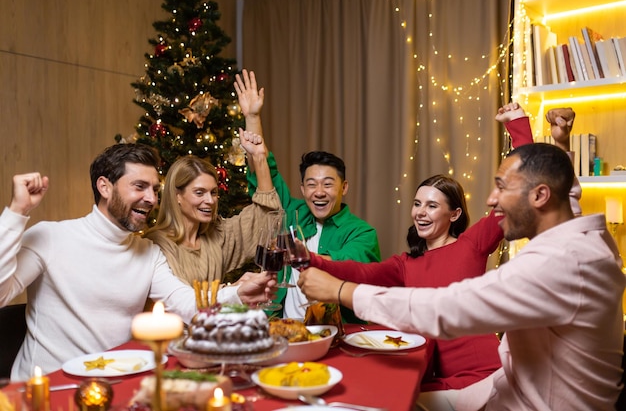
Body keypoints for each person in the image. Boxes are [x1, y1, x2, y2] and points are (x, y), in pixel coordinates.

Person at [298, 143, 625, 410]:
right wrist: (561, 144)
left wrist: (342, 291)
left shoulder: (560, 262)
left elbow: (448, 308)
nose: (491, 201)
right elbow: (563, 196)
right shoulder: (577, 240)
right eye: (417, 204)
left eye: (501, 188)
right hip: (502, 387)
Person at [0, 143, 275, 380]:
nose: (152, 199)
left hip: (114, 383)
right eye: (140, 187)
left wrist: (237, 294)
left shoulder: (147, 252)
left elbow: (186, 303)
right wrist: (16, 212)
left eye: (155, 189)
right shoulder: (51, 236)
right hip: (47, 389)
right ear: (104, 187)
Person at [235, 69, 381, 321]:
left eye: (328, 184)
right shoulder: (290, 213)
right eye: (312, 184)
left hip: (337, 334)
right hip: (285, 329)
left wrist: (303, 255)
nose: (319, 192)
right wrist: (252, 117)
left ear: (343, 187)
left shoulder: (362, 233)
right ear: (303, 190)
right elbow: (263, 172)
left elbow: (349, 266)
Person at [143, 129, 281, 287]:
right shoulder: (157, 243)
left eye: (213, 192)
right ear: (177, 196)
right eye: (199, 192)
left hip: (217, 312)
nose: (210, 200)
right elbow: (179, 297)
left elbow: (265, 220)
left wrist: (259, 158)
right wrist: (233, 290)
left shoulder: (216, 235)